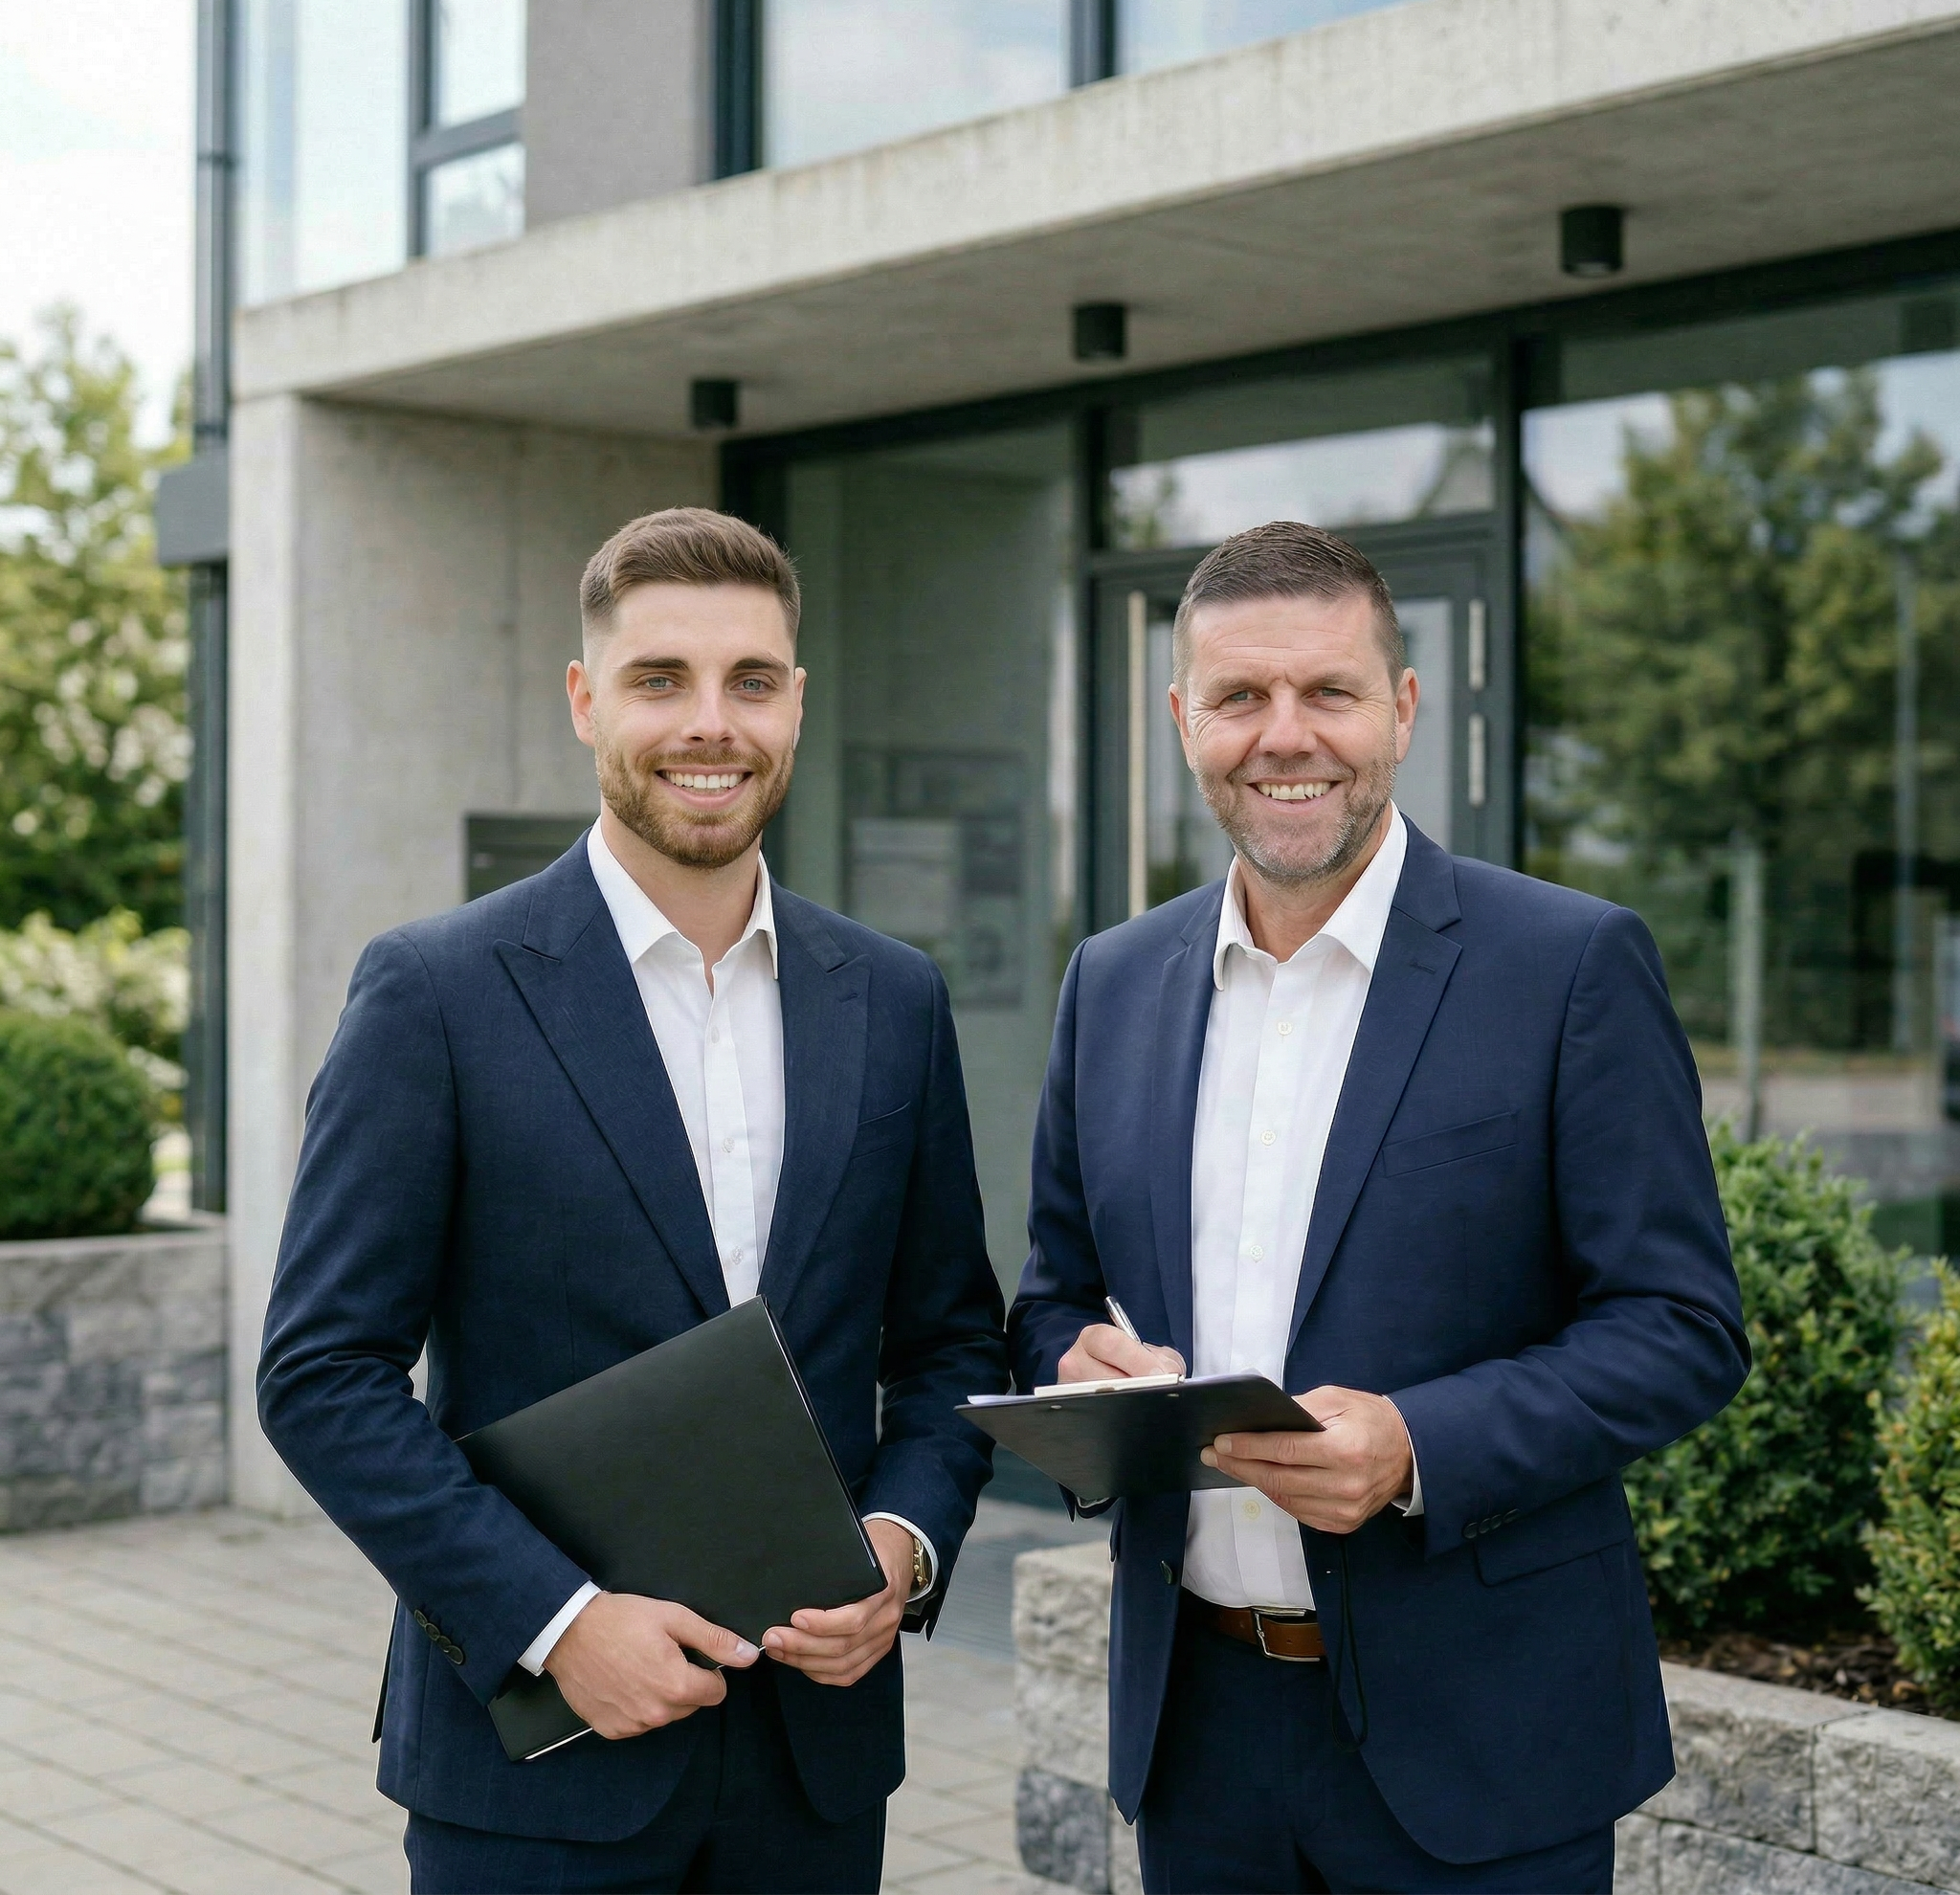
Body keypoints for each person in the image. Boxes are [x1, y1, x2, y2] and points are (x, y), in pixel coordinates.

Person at [258, 507, 1007, 1894]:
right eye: (661, 679)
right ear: (585, 699)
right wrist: (553, 1621)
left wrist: (899, 1555)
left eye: (752, 680)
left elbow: (953, 1344)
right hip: (535, 1765)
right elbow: (321, 1373)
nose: (709, 724)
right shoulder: (436, 992)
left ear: (797, 702)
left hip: (815, 1766)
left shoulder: (893, 999)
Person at [1009, 521, 1748, 1894]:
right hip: (1198, 1732)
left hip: (1480, 1739)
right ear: (1184, 722)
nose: (1286, 736)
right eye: (1241, 697)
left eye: (1329, 692)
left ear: (1402, 709)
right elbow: (1052, 1289)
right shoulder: (1109, 983)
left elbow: (1682, 1325)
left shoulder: (1569, 965)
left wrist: (1419, 1444)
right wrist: (1069, 1361)